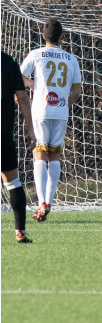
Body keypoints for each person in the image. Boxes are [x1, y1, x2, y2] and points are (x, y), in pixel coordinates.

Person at [20, 18, 82, 222]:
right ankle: (50, 201)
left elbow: (18, 77)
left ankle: (41, 202)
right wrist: (64, 104)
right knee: (54, 157)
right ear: (62, 37)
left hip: (40, 110)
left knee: (39, 155)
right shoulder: (71, 59)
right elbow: (77, 91)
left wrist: (32, 85)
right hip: (60, 112)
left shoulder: (36, 54)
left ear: (44, 36)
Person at [2, 52, 37, 242]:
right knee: (13, 183)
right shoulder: (9, 62)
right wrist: (31, 129)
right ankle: (20, 232)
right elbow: (22, 98)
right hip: (4, 135)